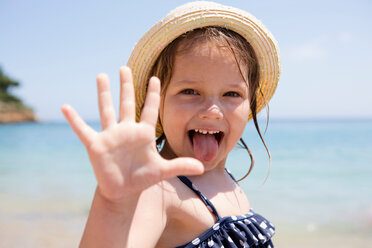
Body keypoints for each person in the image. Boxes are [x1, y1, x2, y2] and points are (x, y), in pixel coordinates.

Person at [61, 1, 280, 247]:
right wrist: (112, 206)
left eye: (231, 94)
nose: (212, 112)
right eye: (189, 91)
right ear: (156, 103)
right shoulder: (158, 191)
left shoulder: (224, 180)